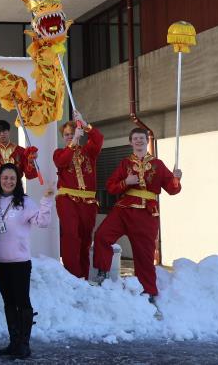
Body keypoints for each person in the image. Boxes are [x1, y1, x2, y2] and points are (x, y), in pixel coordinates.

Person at [92, 128, 183, 300]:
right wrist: (126, 182)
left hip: (147, 214)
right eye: (135, 138)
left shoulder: (158, 164)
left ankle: (149, 291)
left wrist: (176, 179)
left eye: (142, 138)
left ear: (147, 140)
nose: (139, 141)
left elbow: (172, 190)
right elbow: (110, 187)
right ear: (131, 142)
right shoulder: (125, 163)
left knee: (144, 254)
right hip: (123, 210)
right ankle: (103, 273)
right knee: (102, 235)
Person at [0, 163, 53, 359]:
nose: (8, 181)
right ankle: (14, 342)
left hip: (19, 263)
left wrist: (47, 199)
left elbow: (42, 222)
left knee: (22, 302)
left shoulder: (25, 202)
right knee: (9, 303)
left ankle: (24, 344)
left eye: (12, 178)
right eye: (5, 178)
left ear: (17, 181)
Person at [53, 112, 103, 279]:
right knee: (71, 236)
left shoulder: (89, 151)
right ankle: (72, 276)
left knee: (86, 238)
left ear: (78, 133)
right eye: (66, 134)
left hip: (88, 201)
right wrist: (73, 141)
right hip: (67, 199)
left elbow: (98, 139)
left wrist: (85, 124)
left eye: (72, 133)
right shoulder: (59, 152)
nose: (69, 136)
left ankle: (83, 277)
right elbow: (61, 162)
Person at [0, 120, 38, 188]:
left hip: (16, 187)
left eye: (4, 131)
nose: (2, 134)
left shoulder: (21, 151)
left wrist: (31, 160)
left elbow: (30, 175)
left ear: (9, 131)